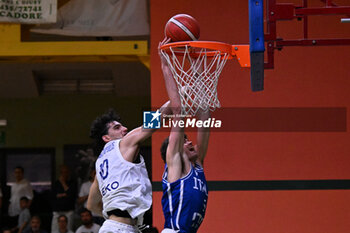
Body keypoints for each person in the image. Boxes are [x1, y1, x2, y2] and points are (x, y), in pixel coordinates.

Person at [87, 101, 170, 233]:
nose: (124, 129)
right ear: (106, 137)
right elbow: (152, 123)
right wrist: (174, 100)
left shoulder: (100, 166)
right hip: (119, 228)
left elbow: (91, 204)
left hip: (115, 226)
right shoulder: (122, 144)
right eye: (117, 128)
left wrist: (110, 217)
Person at [158, 38, 210, 233]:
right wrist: (165, 65)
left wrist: (197, 72)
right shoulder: (176, 163)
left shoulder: (198, 164)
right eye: (184, 140)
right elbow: (178, 111)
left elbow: (204, 118)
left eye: (189, 139)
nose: (189, 142)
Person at [51, 165, 77, 233]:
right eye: (62, 172)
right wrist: (64, 194)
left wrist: (63, 183)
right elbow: (54, 196)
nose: (64, 174)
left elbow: (71, 195)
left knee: (68, 230)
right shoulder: (56, 183)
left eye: (66, 172)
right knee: (55, 230)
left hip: (69, 210)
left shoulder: (72, 182)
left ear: (68, 173)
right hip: (57, 210)